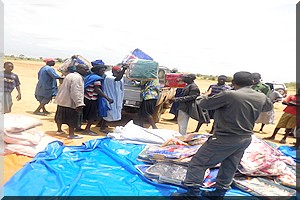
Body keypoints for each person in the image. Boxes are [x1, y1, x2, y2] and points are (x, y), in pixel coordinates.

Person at [173, 71, 273, 198]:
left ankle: (192, 194)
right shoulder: (261, 96)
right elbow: (267, 108)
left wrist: (204, 95)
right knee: (230, 165)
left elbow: (204, 104)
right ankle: (219, 193)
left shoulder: (230, 95)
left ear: (233, 82)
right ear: (252, 82)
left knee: (198, 163)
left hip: (225, 137)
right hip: (245, 138)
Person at [54, 64, 89, 139]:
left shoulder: (69, 75)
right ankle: (71, 134)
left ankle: (59, 130)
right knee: (72, 119)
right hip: (70, 101)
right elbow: (76, 91)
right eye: (85, 69)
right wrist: (79, 103)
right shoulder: (78, 78)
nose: (87, 71)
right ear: (79, 69)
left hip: (62, 100)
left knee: (60, 116)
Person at [82, 64, 113, 135]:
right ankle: (87, 129)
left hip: (85, 97)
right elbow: (97, 89)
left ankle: (78, 128)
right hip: (92, 99)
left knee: (84, 114)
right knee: (92, 116)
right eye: (102, 71)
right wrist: (108, 98)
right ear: (98, 71)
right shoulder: (97, 79)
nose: (103, 72)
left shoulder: (89, 76)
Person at [100, 64, 128, 132]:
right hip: (110, 97)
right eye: (118, 72)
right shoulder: (109, 78)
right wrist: (124, 69)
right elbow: (117, 79)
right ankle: (102, 127)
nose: (119, 73)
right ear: (113, 72)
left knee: (111, 112)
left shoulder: (120, 78)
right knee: (109, 112)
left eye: (119, 72)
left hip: (116, 98)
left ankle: (100, 124)